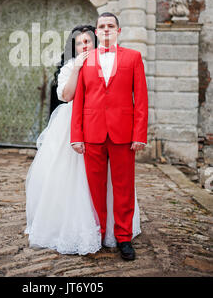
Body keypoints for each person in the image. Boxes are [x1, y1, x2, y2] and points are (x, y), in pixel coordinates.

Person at [25, 23, 141, 255]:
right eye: (79, 43)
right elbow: (67, 96)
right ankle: (75, 225)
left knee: (111, 182)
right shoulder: (72, 66)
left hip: (101, 126)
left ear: (95, 42)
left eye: (87, 41)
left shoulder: (107, 62)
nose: (84, 45)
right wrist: (77, 68)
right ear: (73, 47)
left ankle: (115, 231)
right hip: (72, 125)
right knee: (68, 178)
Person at [71, 12, 148, 261]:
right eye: (101, 26)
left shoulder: (134, 58)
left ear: (118, 31)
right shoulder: (86, 60)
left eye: (110, 26)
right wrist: (76, 135)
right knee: (95, 189)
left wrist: (140, 134)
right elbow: (79, 101)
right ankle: (99, 234)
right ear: (96, 31)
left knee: (124, 188)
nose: (106, 29)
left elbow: (141, 101)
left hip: (123, 134)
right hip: (92, 134)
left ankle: (124, 238)